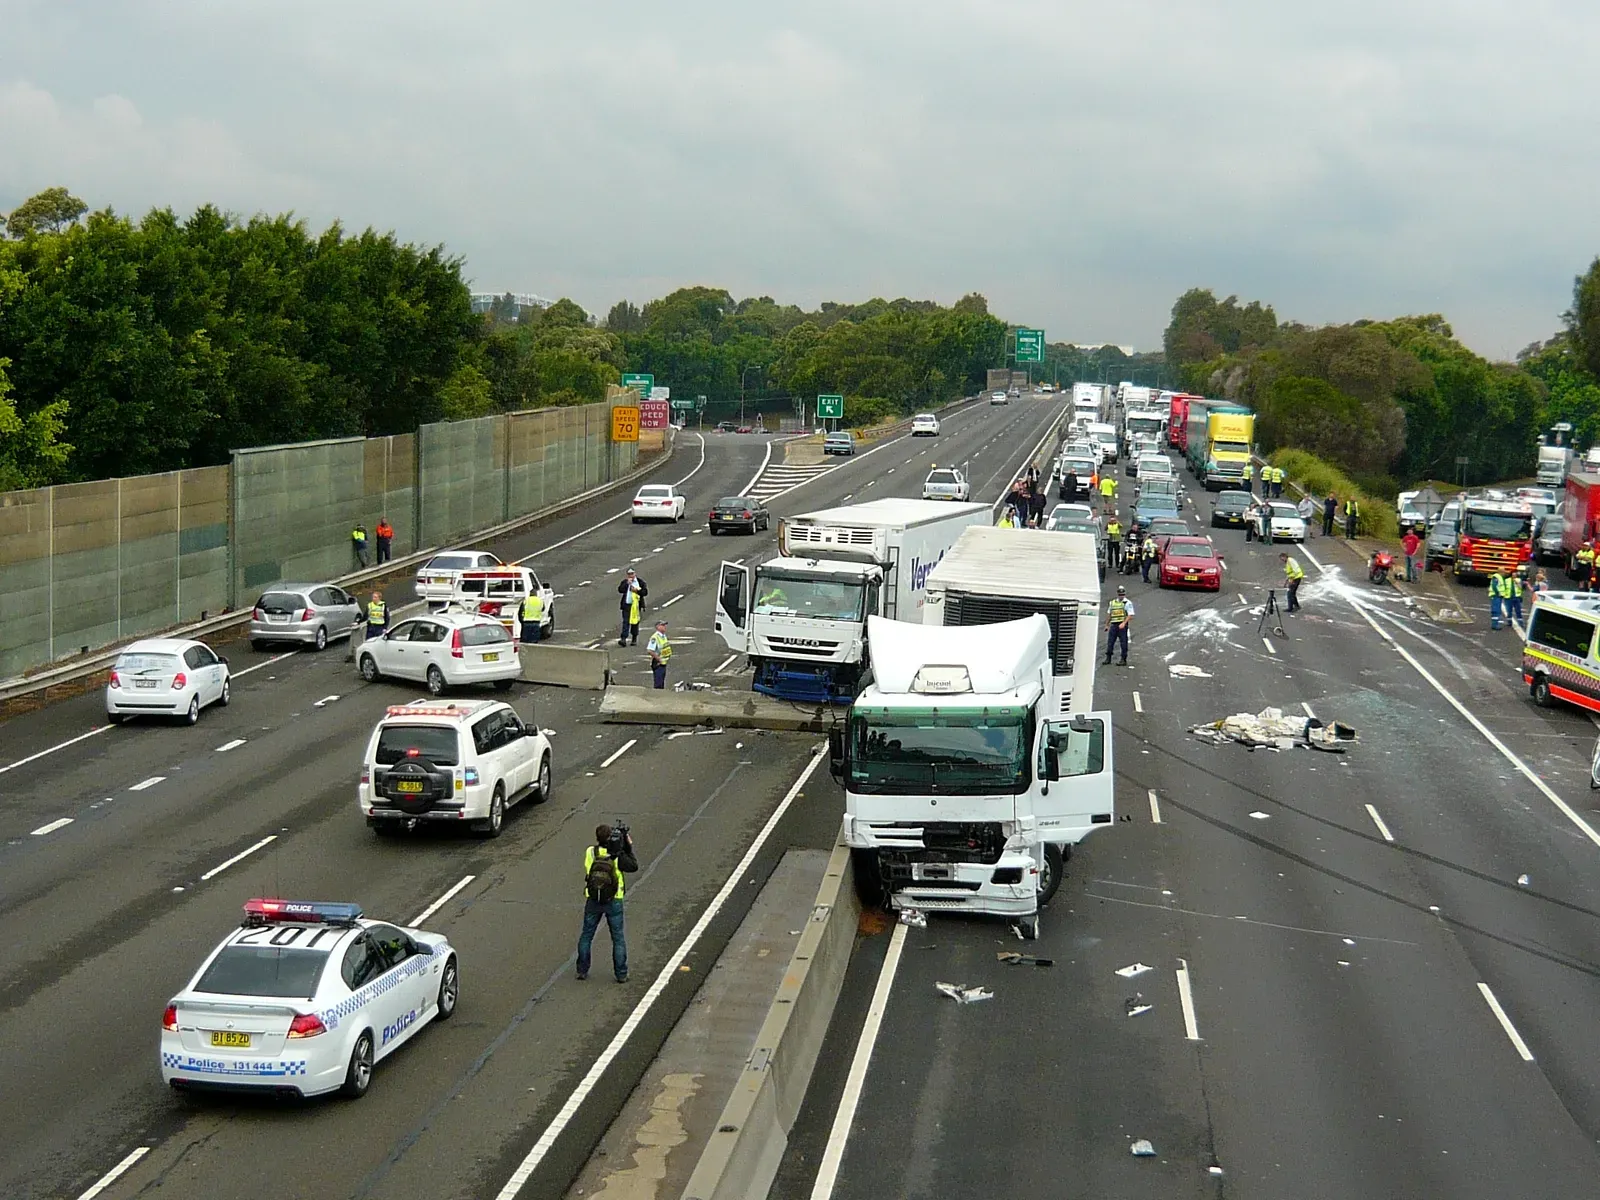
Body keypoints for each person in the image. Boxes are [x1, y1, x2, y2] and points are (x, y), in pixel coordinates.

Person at [576, 823, 639, 983]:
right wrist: (627, 847)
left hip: (593, 898)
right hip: (614, 899)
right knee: (617, 938)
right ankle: (621, 973)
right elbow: (633, 866)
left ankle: (582, 970)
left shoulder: (591, 852)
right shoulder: (617, 855)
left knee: (586, 935)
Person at [1102, 584, 1134, 666]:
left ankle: (1123, 659)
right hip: (1114, 625)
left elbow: (1130, 615)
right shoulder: (1112, 603)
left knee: (1123, 643)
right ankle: (1108, 658)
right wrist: (1107, 625)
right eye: (1120, 595)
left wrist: (1124, 623)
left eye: (1122, 594)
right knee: (1110, 642)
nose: (1121, 596)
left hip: (1122, 625)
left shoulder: (1127, 603)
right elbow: (1110, 614)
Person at [618, 569, 647, 646]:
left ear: (635, 574)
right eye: (629, 574)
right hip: (627, 605)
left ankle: (634, 638)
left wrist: (636, 591)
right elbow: (620, 590)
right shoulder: (625, 582)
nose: (630, 576)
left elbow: (645, 592)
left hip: (636, 606)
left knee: (635, 622)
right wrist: (627, 584)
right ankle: (623, 638)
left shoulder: (640, 582)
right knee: (625, 622)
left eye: (632, 574)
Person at [646, 619, 672, 689]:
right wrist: (658, 659)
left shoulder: (663, 636)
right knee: (658, 684)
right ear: (658, 627)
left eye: (665, 625)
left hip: (663, 662)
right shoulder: (655, 637)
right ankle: (656, 698)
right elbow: (650, 650)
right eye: (663, 625)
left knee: (662, 682)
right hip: (658, 663)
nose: (665, 627)